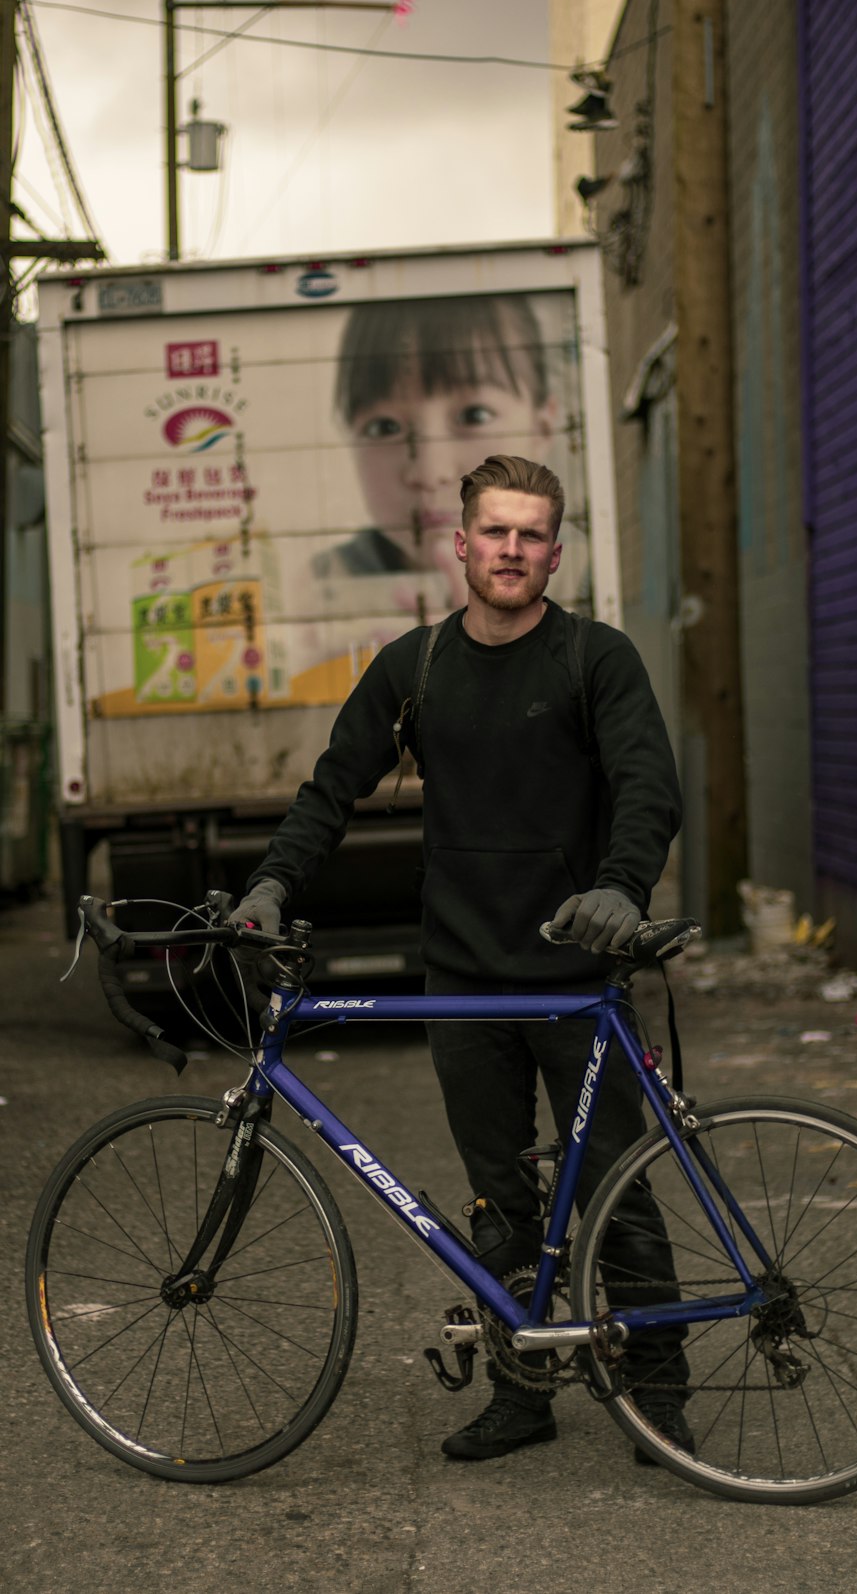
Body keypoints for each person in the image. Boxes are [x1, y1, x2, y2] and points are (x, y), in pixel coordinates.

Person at [232, 452, 691, 1463]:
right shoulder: (417, 667)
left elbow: (647, 782)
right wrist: (271, 882)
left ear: (555, 552)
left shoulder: (594, 658)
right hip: (463, 984)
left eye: (531, 534)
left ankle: (662, 1399)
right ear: (462, 543)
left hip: (574, 980)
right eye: (496, 531)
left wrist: (620, 883)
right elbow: (331, 786)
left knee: (620, 1194)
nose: (512, 549)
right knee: (499, 1201)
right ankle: (521, 1393)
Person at [312, 293, 561, 613]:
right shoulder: (317, 589)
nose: (430, 473)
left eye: (474, 416)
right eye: (385, 428)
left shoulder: (582, 575)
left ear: (542, 428)